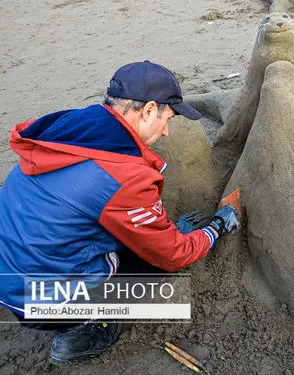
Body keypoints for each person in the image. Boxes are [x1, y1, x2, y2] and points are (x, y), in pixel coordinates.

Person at [0, 61, 240, 364]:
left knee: (129, 238)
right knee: (154, 267)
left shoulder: (72, 128)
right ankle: (83, 332)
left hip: (9, 275)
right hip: (42, 300)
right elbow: (172, 254)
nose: (167, 132)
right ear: (149, 109)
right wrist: (214, 230)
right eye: (168, 118)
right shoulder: (124, 177)